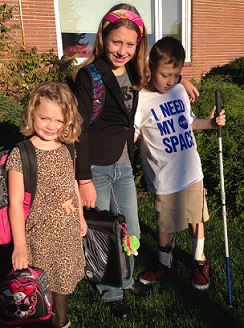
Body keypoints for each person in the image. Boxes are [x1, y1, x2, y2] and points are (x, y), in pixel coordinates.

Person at [72, 3, 199, 321]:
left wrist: (182, 82)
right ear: (104, 37)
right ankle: (112, 293)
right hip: (96, 169)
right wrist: (83, 179)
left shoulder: (135, 72)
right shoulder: (89, 76)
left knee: (131, 229)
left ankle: (126, 280)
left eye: (130, 44)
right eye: (117, 42)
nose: (122, 50)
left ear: (137, 45)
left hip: (123, 165)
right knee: (104, 231)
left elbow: (162, 79)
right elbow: (80, 131)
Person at [134, 36, 226, 291]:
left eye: (176, 75)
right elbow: (131, 135)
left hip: (191, 172)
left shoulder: (178, 91)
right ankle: (165, 263)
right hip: (163, 177)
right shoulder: (140, 101)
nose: (171, 81)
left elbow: (189, 121)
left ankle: (199, 260)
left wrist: (209, 124)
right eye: (165, 75)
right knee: (165, 224)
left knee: (197, 218)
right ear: (151, 66)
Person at [6, 81, 87, 328]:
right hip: (39, 238)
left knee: (63, 284)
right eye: (44, 118)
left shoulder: (68, 148)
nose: (52, 126)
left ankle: (61, 321)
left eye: (59, 121)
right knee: (37, 290)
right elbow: (15, 203)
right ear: (32, 114)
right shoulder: (22, 153)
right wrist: (20, 246)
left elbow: (72, 184)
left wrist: (81, 216)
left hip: (67, 236)